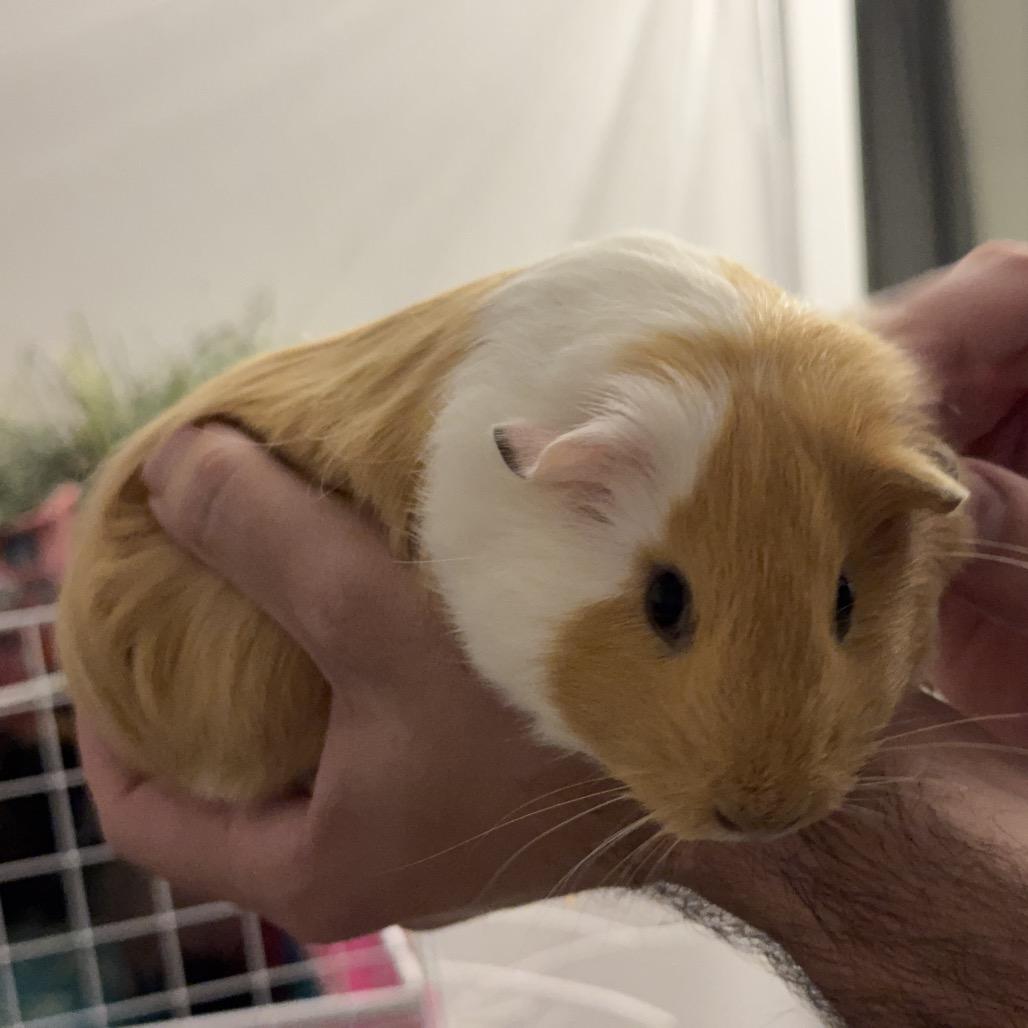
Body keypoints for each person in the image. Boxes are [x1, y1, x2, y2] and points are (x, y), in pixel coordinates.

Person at [77, 242, 1028, 1026]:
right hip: (190, 616)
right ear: (573, 473)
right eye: (667, 607)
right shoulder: (514, 453)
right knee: (248, 686)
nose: (767, 797)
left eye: (843, 609)